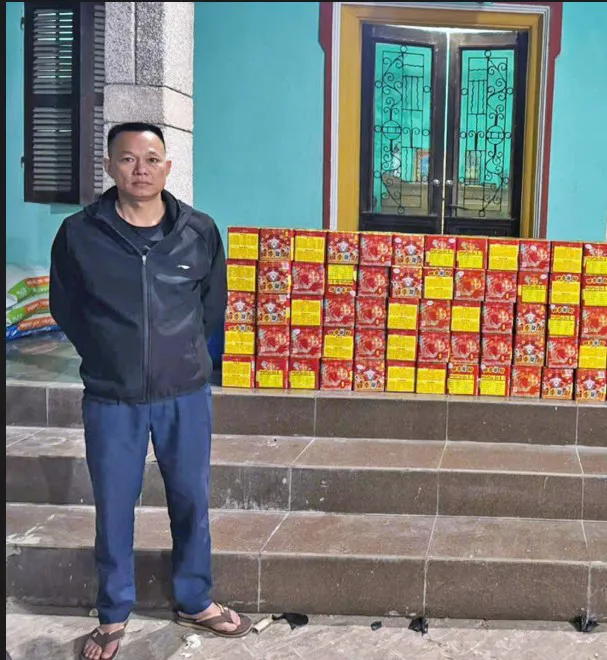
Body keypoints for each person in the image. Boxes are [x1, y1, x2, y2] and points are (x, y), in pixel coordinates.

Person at [50, 122, 250, 660]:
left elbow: (211, 306)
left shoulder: (198, 231)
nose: (141, 169)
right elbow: (66, 307)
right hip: (112, 397)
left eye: (152, 159)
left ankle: (194, 598)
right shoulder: (78, 234)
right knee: (114, 504)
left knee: (191, 498)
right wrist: (106, 354)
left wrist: (183, 358)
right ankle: (114, 612)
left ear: (168, 166)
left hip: (184, 394)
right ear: (109, 165)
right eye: (128, 158)